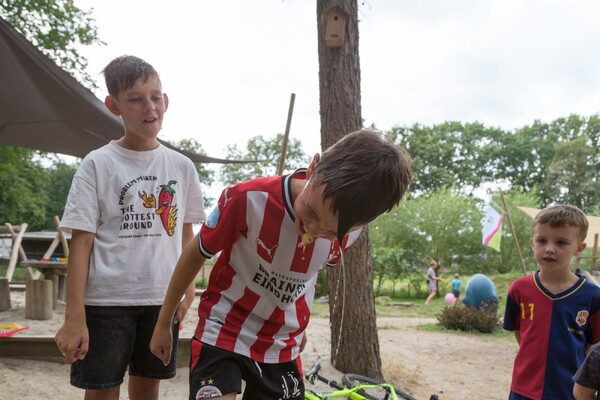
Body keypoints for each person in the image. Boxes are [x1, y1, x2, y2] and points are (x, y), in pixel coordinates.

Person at [149, 130, 412, 400]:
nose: (312, 228)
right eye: (310, 211)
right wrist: (163, 322)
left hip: (282, 343)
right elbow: (195, 252)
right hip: (224, 326)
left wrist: (301, 328)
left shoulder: (352, 231)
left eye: (330, 232)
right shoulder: (248, 198)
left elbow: (308, 276)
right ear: (313, 167)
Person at [54, 55, 206, 400]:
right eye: (135, 99)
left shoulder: (182, 167)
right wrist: (74, 316)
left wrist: (189, 288)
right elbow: (81, 243)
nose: (149, 107)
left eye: (155, 97)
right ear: (114, 106)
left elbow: (187, 236)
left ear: (165, 101)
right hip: (105, 302)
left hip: (161, 300)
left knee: (147, 388)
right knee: (102, 391)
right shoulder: (97, 164)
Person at [503, 204, 600, 400]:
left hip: (570, 391)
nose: (549, 249)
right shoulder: (518, 290)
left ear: (579, 248)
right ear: (532, 243)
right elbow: (520, 333)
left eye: (561, 242)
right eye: (542, 240)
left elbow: (593, 347)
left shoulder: (593, 297)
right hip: (523, 389)